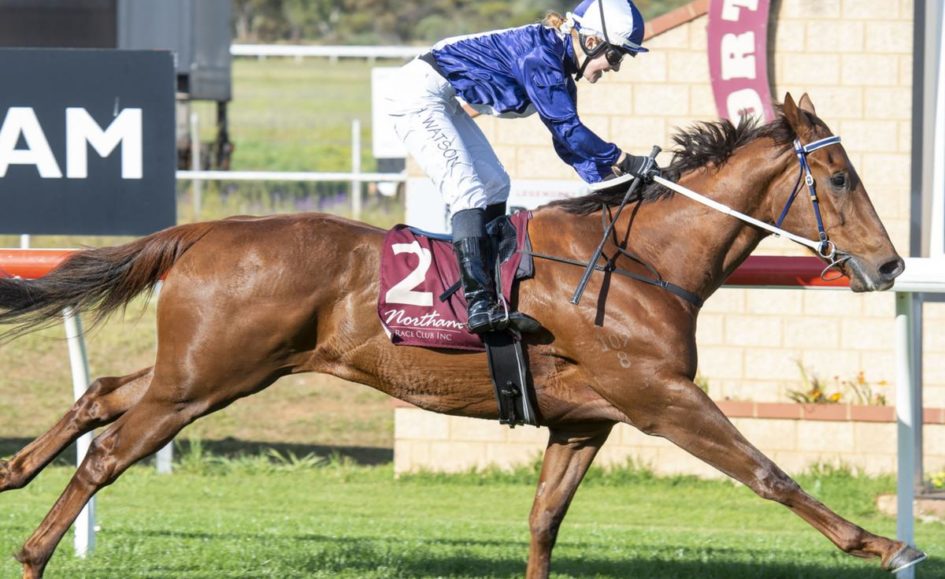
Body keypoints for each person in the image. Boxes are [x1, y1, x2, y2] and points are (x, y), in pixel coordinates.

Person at [387, 0, 660, 335]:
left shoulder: (557, 67)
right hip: (416, 96)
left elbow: (568, 143)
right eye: (616, 57)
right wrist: (625, 159)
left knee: (496, 184)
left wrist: (618, 186)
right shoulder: (540, 57)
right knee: (467, 191)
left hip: (440, 97)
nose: (614, 68)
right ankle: (479, 304)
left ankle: (492, 288)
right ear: (591, 41)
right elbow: (569, 131)